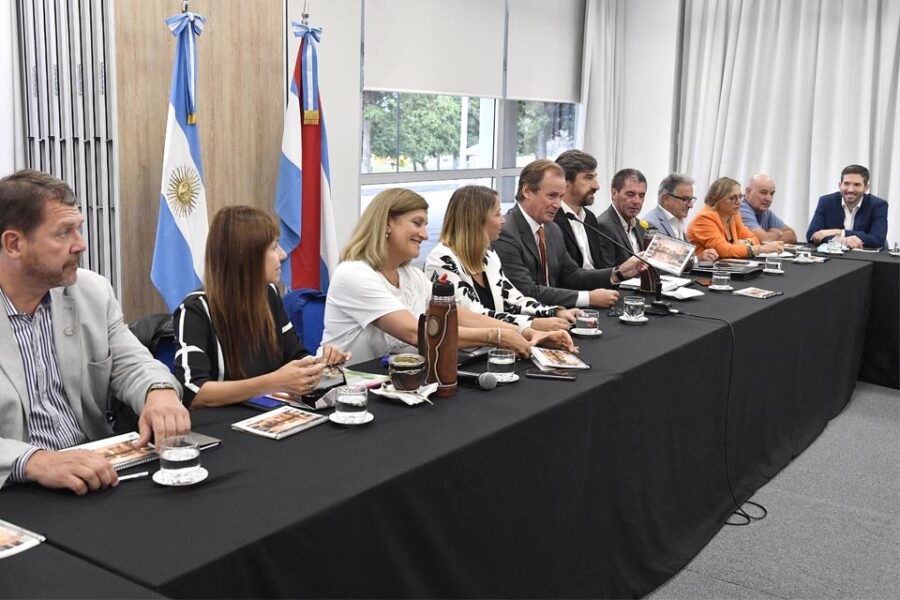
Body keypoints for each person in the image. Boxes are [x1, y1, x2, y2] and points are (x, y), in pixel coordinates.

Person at [0, 170, 189, 494]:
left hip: (94, 472)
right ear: (14, 244)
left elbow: (132, 363)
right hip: (17, 491)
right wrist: (33, 460)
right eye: (63, 233)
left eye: (79, 229)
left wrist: (158, 393)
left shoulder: (91, 292)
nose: (81, 245)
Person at [322, 188, 573, 364]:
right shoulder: (354, 274)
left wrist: (526, 332)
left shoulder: (411, 276)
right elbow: (414, 333)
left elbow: (458, 315)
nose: (424, 234)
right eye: (417, 223)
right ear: (387, 223)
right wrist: (498, 337)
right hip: (350, 392)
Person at [173, 206, 349, 408]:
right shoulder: (195, 309)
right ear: (247, 256)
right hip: (223, 426)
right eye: (274, 247)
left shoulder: (269, 294)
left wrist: (321, 364)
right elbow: (193, 392)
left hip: (269, 414)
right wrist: (274, 382)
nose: (283, 255)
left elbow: (295, 355)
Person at [425, 185, 578, 333]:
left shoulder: (489, 255)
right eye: (498, 214)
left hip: (499, 344)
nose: (503, 220)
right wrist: (532, 324)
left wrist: (554, 312)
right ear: (477, 220)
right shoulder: (441, 260)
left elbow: (513, 300)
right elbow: (474, 315)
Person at [492, 160, 644, 309]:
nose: (558, 204)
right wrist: (588, 298)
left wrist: (618, 272)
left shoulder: (552, 229)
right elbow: (526, 291)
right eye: (551, 196)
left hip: (557, 314)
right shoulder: (505, 232)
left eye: (560, 196)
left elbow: (571, 274)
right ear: (527, 191)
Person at [686, 177, 784, 258]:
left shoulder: (733, 215)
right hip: (702, 275)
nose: (739, 202)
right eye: (733, 198)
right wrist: (762, 249)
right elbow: (724, 251)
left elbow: (754, 239)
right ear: (717, 199)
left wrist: (738, 244)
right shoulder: (704, 218)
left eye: (740, 197)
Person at [806, 164, 888, 249]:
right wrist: (838, 239)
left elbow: (878, 239)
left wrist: (839, 232)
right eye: (846, 184)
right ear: (840, 185)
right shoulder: (826, 202)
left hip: (865, 257)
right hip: (834, 258)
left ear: (866, 188)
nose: (850, 190)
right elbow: (812, 235)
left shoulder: (878, 205)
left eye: (857, 185)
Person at [644, 173, 718, 262]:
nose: (690, 205)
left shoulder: (676, 220)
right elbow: (662, 263)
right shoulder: (651, 224)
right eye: (685, 199)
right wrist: (697, 259)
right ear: (666, 199)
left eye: (691, 199)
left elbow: (686, 257)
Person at [552, 150, 605, 269]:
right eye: (588, 178)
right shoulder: (551, 218)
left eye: (595, 177)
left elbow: (599, 266)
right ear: (565, 182)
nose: (596, 186)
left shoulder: (590, 218)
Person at [596, 169, 649, 266]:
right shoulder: (603, 226)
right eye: (630, 194)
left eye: (641, 196)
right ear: (614, 194)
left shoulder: (639, 224)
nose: (637, 201)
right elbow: (607, 273)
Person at [739, 174, 797, 243]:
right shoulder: (741, 209)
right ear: (748, 192)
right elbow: (762, 240)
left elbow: (792, 235)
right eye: (763, 193)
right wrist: (774, 234)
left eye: (771, 193)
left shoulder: (765, 211)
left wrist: (769, 238)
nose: (769, 199)